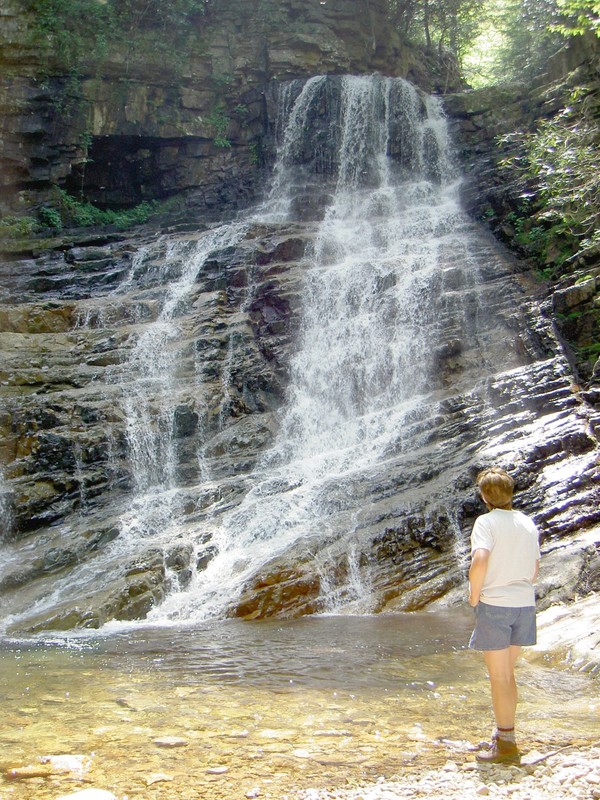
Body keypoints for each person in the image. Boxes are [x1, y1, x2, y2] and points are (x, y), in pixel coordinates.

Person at [468, 466, 540, 764]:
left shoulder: (486, 523)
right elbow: (535, 568)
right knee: (508, 676)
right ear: (510, 493)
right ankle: (504, 736)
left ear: (484, 496)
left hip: (496, 605)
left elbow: (480, 559)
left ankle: (506, 746)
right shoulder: (527, 523)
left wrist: (474, 595)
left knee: (498, 677)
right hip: (524, 604)